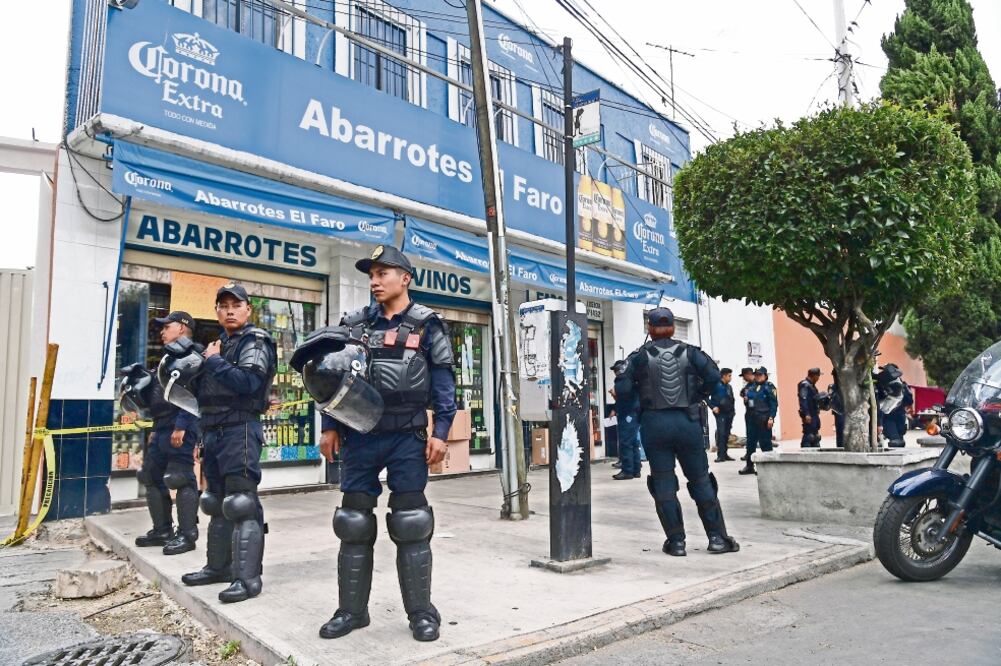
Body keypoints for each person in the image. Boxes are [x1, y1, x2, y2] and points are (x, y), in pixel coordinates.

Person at [309, 246, 457, 642]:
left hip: (407, 436)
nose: (374, 281)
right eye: (371, 275)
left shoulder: (429, 325)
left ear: (405, 278)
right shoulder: (353, 324)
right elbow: (331, 376)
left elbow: (444, 384)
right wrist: (329, 426)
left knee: (411, 523)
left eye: (382, 273)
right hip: (359, 435)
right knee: (353, 523)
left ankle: (422, 614)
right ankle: (352, 612)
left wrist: (441, 432)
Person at [179, 283, 277, 604]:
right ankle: (218, 567)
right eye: (223, 305)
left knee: (241, 503)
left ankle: (247, 579)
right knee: (216, 501)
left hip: (241, 429)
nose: (230, 310)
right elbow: (201, 394)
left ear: (248, 309)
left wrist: (214, 361)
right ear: (217, 311)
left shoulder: (256, 341)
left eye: (237, 304)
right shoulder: (216, 346)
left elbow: (249, 382)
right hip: (212, 431)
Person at [613, 307, 739, 557]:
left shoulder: (638, 357)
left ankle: (676, 542)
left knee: (663, 483)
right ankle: (716, 538)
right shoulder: (692, 353)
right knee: (701, 480)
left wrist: (639, 392)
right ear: (672, 327)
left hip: (654, 425)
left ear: (649, 329)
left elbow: (624, 391)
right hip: (687, 422)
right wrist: (699, 395)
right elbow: (716, 380)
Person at [121, 310, 200, 555]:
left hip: (181, 424)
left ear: (182, 328)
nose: (162, 330)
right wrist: (156, 429)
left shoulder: (191, 357)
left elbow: (192, 395)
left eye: (168, 326)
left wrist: (182, 426)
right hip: (163, 425)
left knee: (180, 477)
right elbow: (163, 397)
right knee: (150, 476)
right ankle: (162, 529)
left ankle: (187, 535)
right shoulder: (168, 358)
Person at [739, 367, 778, 476]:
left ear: (765, 376)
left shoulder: (769, 387)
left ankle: (768, 466)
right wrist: (746, 399)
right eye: (756, 375)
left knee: (765, 443)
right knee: (750, 443)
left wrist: (771, 418)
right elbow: (745, 397)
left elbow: (773, 404)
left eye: (760, 375)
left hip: (763, 419)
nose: (757, 376)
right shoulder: (751, 387)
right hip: (751, 418)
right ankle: (749, 466)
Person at [609, 373, 641, 480]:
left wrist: (614, 393)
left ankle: (627, 471)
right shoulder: (633, 379)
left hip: (628, 415)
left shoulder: (624, 380)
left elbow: (623, 398)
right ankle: (636, 470)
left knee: (626, 442)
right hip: (633, 413)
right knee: (633, 442)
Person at [876, 363, 913, 448]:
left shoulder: (903, 385)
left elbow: (909, 401)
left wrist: (902, 391)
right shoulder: (881, 385)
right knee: (895, 440)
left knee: (900, 440)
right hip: (888, 417)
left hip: (900, 415)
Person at [709, 368, 736, 462]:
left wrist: (733, 412)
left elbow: (732, 399)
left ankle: (725, 454)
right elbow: (705, 396)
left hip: (729, 413)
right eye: (729, 376)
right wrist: (712, 407)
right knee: (721, 433)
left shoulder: (729, 387)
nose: (730, 377)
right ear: (724, 376)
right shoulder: (716, 385)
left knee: (727, 434)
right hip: (720, 413)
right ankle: (720, 455)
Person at [798, 368, 823, 448]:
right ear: (814, 376)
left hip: (814, 413)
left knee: (816, 436)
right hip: (809, 414)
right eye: (818, 376)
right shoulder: (804, 385)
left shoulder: (812, 386)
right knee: (809, 436)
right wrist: (807, 414)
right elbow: (803, 400)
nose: (819, 378)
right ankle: (805, 453)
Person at [738, 367, 755, 461]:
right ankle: (749, 454)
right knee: (750, 435)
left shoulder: (757, 384)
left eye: (744, 376)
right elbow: (742, 392)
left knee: (760, 436)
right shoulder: (748, 385)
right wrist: (745, 395)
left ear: (748, 374)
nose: (743, 379)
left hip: (757, 413)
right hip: (749, 412)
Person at [829, 370, 845, 448]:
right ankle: (840, 446)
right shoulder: (832, 387)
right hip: (839, 412)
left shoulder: (846, 386)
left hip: (846, 412)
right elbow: (832, 400)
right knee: (840, 431)